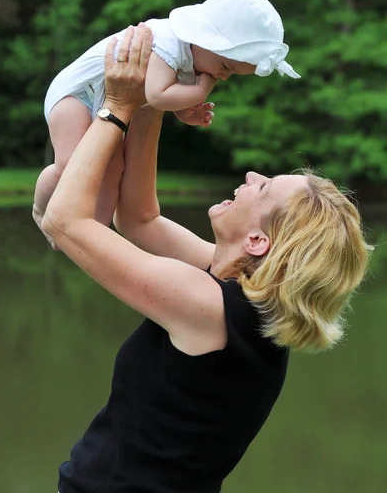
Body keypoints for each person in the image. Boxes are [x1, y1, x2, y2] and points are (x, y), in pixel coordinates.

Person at [42, 24, 370, 493]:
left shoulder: (207, 306)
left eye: (263, 188)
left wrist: (116, 109)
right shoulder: (243, 297)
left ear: (257, 242)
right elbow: (138, 219)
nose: (252, 174)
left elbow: (65, 222)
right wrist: (155, 102)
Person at [34, 0, 301, 248]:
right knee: (71, 164)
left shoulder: (191, 58)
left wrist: (185, 112)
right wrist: (198, 92)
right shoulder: (168, 43)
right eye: (224, 66)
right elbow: (157, 95)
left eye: (230, 73)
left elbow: (159, 98)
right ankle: (41, 209)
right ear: (205, 39)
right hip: (77, 94)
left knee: (112, 169)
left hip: (106, 100)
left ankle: (93, 232)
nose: (221, 76)